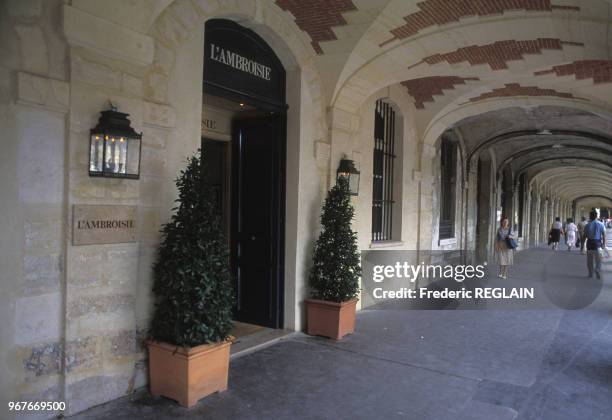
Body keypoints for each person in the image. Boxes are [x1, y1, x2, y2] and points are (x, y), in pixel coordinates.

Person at [585, 210, 607, 279]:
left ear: (590, 216)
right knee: (599, 259)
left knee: (589, 260)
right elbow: (604, 235)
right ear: (596, 216)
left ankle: (590, 273)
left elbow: (584, 235)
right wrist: (603, 244)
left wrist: (582, 244)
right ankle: (597, 269)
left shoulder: (587, 225)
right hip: (598, 243)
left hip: (589, 243)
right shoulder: (601, 224)